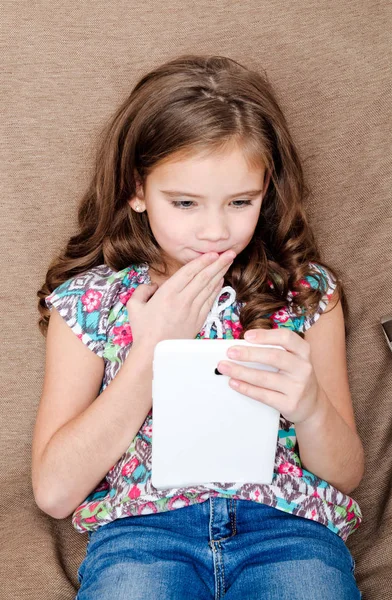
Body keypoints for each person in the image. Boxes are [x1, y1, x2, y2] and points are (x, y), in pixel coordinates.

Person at [32, 54, 364, 599]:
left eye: (240, 202)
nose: (214, 230)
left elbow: (346, 474)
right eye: (184, 203)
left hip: (288, 530)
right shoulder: (91, 301)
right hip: (143, 535)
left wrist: (309, 405)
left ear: (266, 191)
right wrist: (149, 355)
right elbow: (54, 491)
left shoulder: (307, 293)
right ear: (136, 190)